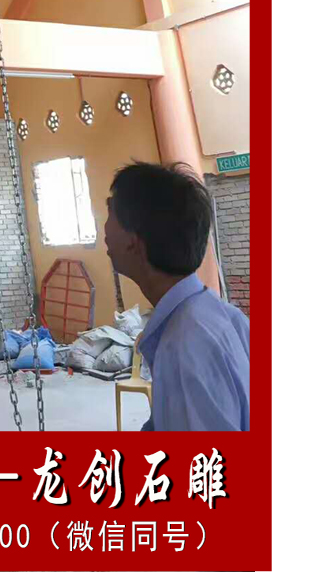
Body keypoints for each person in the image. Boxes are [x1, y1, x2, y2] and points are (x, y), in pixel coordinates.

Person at [104, 161, 249, 431]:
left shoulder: (184, 347)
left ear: (133, 239)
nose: (104, 229)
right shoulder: (226, 316)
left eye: (110, 210)